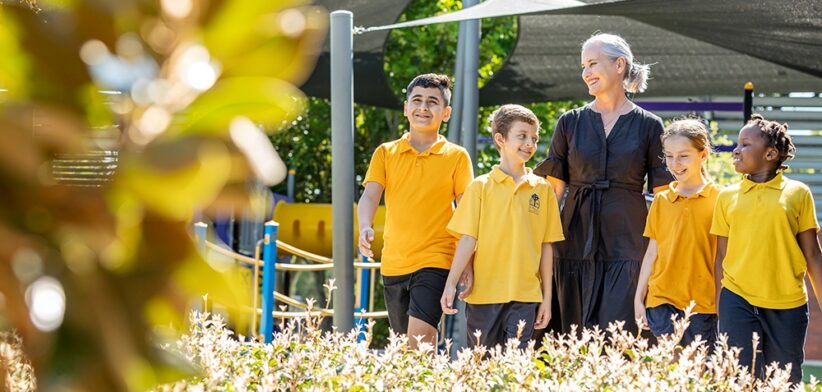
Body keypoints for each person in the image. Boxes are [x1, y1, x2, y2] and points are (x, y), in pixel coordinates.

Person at [533, 33, 673, 333]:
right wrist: (534, 240)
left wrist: (666, 249)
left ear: (620, 65)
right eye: (583, 66)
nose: (586, 73)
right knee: (571, 332)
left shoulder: (650, 125)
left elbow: (663, 195)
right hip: (572, 240)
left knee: (621, 332)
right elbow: (553, 192)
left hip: (629, 241)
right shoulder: (569, 122)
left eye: (593, 64)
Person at [357, 73, 474, 349]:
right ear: (406, 108)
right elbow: (370, 194)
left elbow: (467, 212)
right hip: (394, 263)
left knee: (419, 344)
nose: (423, 107)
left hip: (436, 260)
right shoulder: (385, 153)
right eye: (417, 100)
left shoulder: (457, 156)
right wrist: (365, 225)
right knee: (403, 349)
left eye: (433, 102)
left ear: (446, 113)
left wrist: (467, 261)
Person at [440, 104, 564, 349]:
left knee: (516, 370)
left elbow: (546, 247)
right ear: (500, 139)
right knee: (482, 368)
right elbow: (467, 240)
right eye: (522, 136)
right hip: (484, 296)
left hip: (526, 297)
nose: (530, 143)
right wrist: (450, 283)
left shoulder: (543, 190)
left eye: (534, 138)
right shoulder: (480, 187)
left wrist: (547, 299)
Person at [711, 114, 822, 383]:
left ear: (771, 153)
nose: (736, 150)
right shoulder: (726, 197)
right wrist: (720, 309)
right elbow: (721, 257)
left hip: (788, 304)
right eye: (737, 143)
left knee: (784, 381)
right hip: (737, 300)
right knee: (738, 379)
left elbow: (812, 254)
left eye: (746, 144)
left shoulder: (798, 193)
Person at [633, 119, 718, 346]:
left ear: (703, 155)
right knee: (671, 371)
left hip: (704, 302)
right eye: (669, 156)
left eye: (683, 155)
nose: (675, 163)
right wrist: (638, 299)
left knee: (699, 373)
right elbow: (652, 252)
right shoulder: (661, 200)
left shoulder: (721, 200)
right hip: (661, 298)